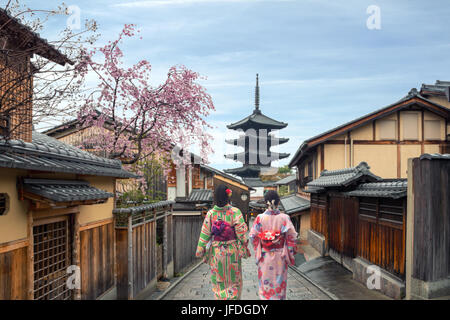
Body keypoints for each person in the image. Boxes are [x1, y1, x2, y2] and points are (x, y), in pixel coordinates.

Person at [195, 184, 250, 300]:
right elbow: (242, 234)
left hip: (217, 252)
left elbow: (204, 234)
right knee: (234, 281)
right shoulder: (235, 212)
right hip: (232, 252)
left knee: (219, 282)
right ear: (228, 196)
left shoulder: (210, 214)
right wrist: (244, 243)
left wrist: (200, 250)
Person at [249, 190, 298, 300]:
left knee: (265, 285)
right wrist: (289, 251)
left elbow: (253, 237)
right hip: (280, 256)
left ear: (265, 202)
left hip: (264, 256)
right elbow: (292, 237)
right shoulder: (284, 218)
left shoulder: (260, 218)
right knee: (279, 284)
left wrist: (260, 247)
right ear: (278, 202)